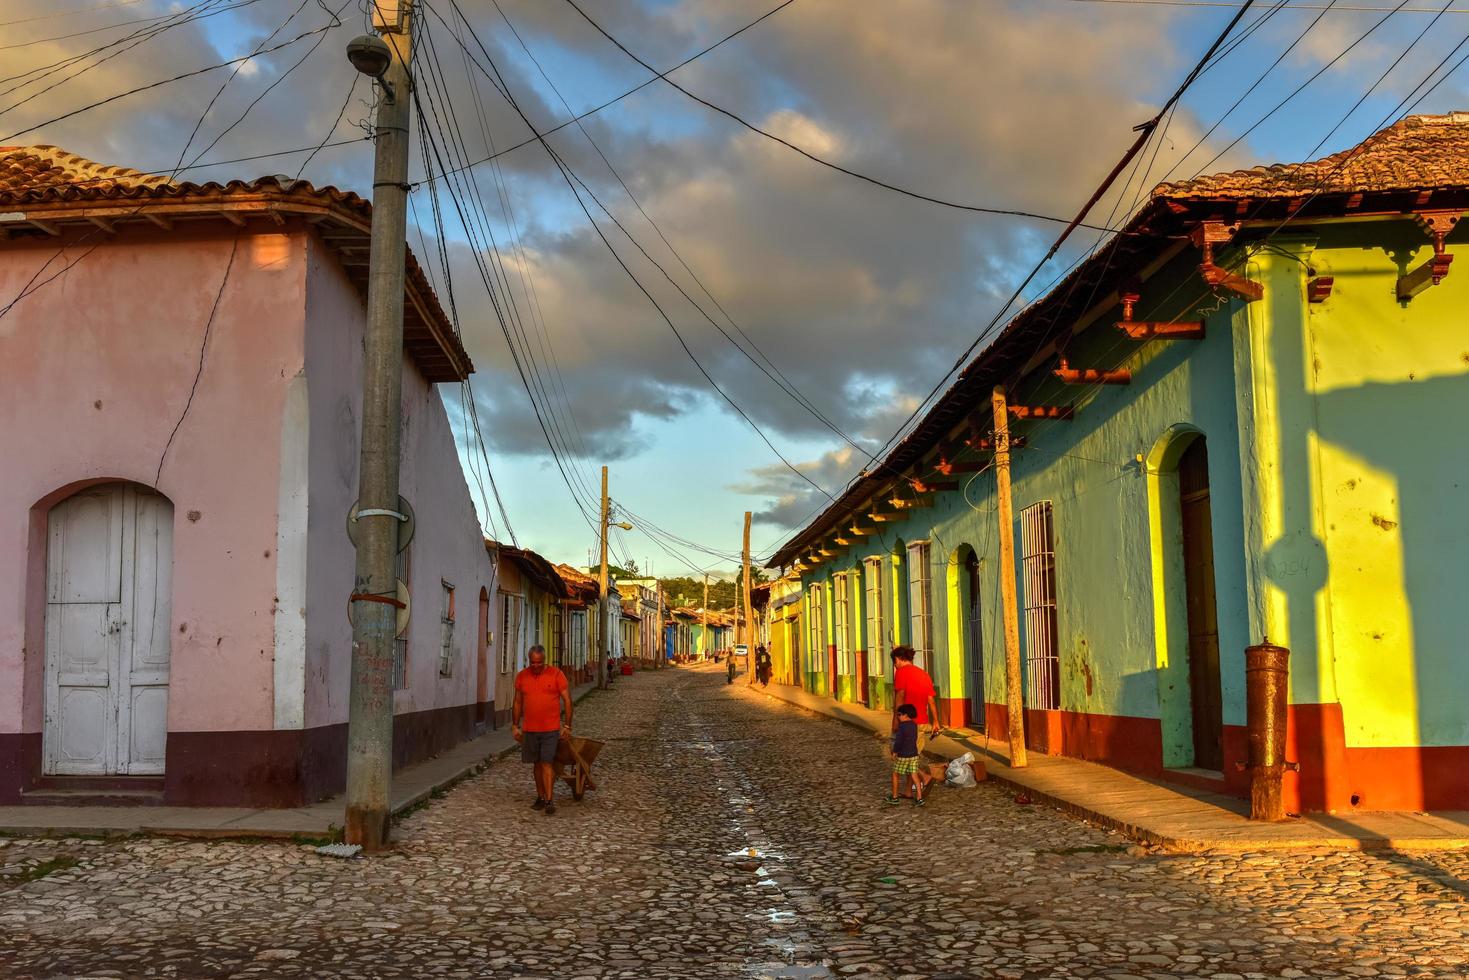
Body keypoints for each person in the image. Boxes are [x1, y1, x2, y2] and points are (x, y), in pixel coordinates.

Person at [512, 645, 573, 816]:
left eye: (539, 662)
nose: (536, 666)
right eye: (533, 662)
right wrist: (515, 725)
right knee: (536, 764)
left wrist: (567, 725)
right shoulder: (522, 677)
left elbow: (567, 700)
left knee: (547, 763)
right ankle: (540, 796)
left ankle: (549, 800)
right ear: (529, 660)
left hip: (550, 729)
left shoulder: (556, 675)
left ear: (544, 660)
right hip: (530, 729)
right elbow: (517, 702)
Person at [890, 645, 940, 789]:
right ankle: (908, 791)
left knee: (898, 754)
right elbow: (931, 700)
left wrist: (895, 721)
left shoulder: (901, 673)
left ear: (898, 659)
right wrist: (935, 722)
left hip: (907, 723)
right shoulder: (924, 674)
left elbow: (900, 697)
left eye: (895, 662)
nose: (895, 665)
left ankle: (925, 777)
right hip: (923, 722)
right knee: (911, 757)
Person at [888, 703, 924, 806]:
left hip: (903, 755)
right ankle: (919, 798)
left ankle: (894, 797)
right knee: (914, 775)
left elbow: (898, 741)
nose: (898, 717)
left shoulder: (902, 727)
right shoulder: (914, 725)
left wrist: (895, 752)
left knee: (895, 774)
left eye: (899, 714)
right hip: (913, 754)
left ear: (905, 715)